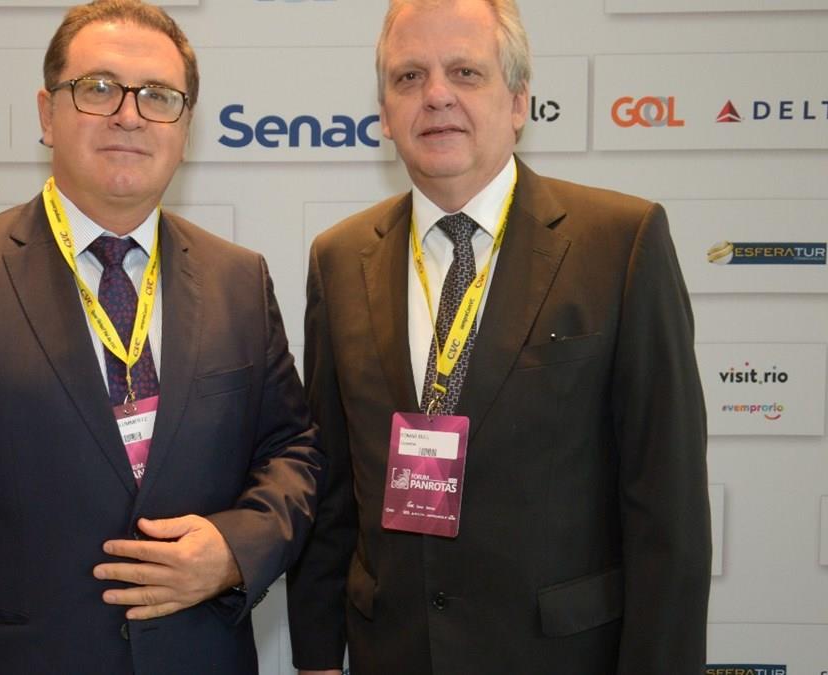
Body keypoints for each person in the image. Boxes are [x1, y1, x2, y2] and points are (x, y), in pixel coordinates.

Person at [0, 2, 322, 673]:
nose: (129, 115)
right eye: (98, 88)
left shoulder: (238, 279)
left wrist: (234, 550)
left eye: (158, 96)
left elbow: (293, 451)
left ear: (185, 127)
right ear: (48, 113)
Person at [285, 1, 710, 673]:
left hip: (560, 656)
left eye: (465, 72)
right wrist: (315, 659)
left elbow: (667, 507)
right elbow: (332, 489)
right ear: (385, 112)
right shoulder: (338, 259)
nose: (436, 95)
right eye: (409, 77)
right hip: (392, 652)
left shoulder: (621, 243)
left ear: (518, 101)